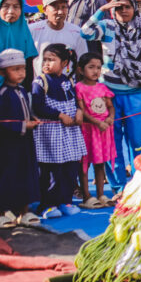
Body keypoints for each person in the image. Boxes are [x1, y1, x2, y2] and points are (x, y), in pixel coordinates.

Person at [81, 0, 141, 194]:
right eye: (119, 7)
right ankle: (118, 187)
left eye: (127, 6)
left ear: (134, 8)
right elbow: (85, 32)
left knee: (137, 143)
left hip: (135, 95)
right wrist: (102, 10)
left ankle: (139, 185)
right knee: (112, 143)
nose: (123, 10)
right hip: (108, 96)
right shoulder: (107, 27)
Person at [31, 44, 86, 218]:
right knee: (50, 169)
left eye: (51, 60)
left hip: (69, 133)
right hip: (50, 134)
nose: (46, 63)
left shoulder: (68, 81)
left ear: (64, 63)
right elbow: (38, 107)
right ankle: (47, 204)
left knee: (69, 167)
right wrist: (59, 115)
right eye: (44, 59)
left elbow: (75, 101)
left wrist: (78, 111)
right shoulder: (40, 82)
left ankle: (65, 200)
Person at [0, 49, 41, 228]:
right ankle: (0, 213)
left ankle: (24, 212)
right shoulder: (1, 93)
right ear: (3, 72)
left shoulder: (21, 89)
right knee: (6, 176)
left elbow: (25, 109)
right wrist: (22, 125)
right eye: (15, 69)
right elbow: (1, 120)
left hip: (24, 143)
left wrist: (32, 119)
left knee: (25, 174)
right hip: (7, 144)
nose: (21, 73)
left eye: (23, 69)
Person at [75, 53, 115, 208]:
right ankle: (87, 196)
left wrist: (110, 118)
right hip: (87, 131)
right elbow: (82, 110)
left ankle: (101, 194)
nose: (95, 71)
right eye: (91, 67)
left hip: (103, 132)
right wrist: (97, 122)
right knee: (85, 163)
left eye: (98, 67)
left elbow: (110, 107)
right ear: (80, 69)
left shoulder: (103, 87)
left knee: (100, 163)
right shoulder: (79, 88)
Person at [0, 0, 39, 87]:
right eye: (6, 6)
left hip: (17, 89)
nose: (11, 11)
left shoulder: (24, 31)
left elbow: (28, 65)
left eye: (16, 7)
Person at [29, 0, 88, 64]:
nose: (60, 12)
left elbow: (82, 61)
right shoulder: (33, 30)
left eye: (63, 7)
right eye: (55, 7)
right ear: (45, 10)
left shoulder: (77, 32)